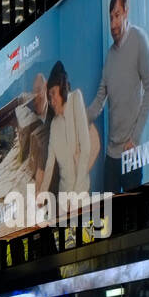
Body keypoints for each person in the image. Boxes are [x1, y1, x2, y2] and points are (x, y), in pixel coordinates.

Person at [87, 0, 149, 193]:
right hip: (111, 154)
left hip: (131, 153)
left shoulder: (139, 38)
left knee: (133, 221)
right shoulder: (110, 56)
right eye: (111, 17)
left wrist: (135, 139)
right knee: (108, 221)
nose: (113, 23)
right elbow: (100, 100)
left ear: (126, 12)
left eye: (117, 15)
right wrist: (80, 119)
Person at [38, 60, 98, 199]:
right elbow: (50, 162)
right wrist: (42, 192)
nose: (51, 101)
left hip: (80, 194)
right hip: (64, 197)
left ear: (62, 87)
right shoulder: (54, 124)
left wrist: (76, 193)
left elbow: (86, 148)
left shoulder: (75, 98)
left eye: (53, 93)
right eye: (49, 96)